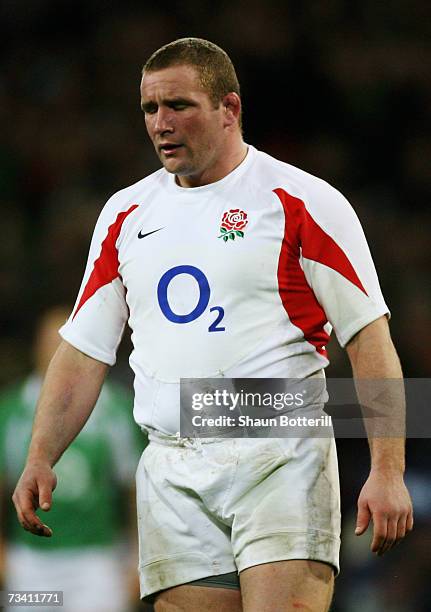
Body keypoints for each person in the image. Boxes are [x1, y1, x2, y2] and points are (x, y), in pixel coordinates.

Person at [12, 38, 413, 612]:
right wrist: (41, 455)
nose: (161, 123)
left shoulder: (302, 201)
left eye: (179, 105)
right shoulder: (126, 213)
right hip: (171, 461)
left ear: (230, 108)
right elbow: (82, 350)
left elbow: (370, 338)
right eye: (150, 109)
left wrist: (387, 470)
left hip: (280, 454)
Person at [1, 306, 145, 612]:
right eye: (49, 342)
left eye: (66, 343)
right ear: (35, 348)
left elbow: (136, 491)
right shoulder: (9, 411)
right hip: (30, 566)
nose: (56, 352)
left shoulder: (117, 410)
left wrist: (136, 561)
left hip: (98, 563)